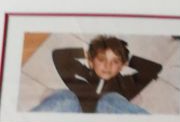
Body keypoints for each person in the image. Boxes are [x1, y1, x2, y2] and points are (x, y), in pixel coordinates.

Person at [32, 35, 162, 114]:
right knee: (67, 98)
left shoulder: (126, 84)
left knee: (111, 100)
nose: (107, 66)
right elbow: (59, 56)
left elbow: (153, 68)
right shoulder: (83, 74)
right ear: (91, 61)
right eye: (101, 59)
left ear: (121, 66)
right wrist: (87, 54)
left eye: (115, 61)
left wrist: (127, 60)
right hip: (75, 114)